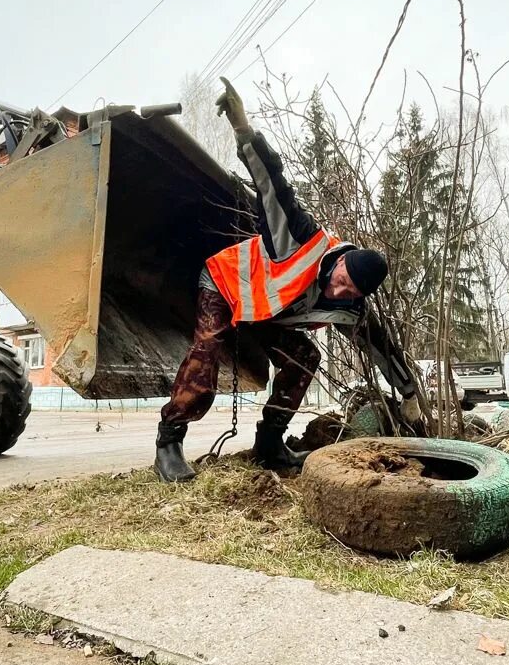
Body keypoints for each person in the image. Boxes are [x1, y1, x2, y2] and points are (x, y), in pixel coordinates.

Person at [154, 78, 421, 483]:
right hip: (226, 284)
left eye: (351, 291)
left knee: (306, 358)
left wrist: (410, 395)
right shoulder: (298, 237)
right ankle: (169, 442)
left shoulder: (351, 307)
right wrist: (243, 129)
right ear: (341, 258)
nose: (340, 290)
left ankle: (269, 444)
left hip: (265, 314)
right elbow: (273, 185)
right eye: (343, 279)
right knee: (208, 347)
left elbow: (383, 346)